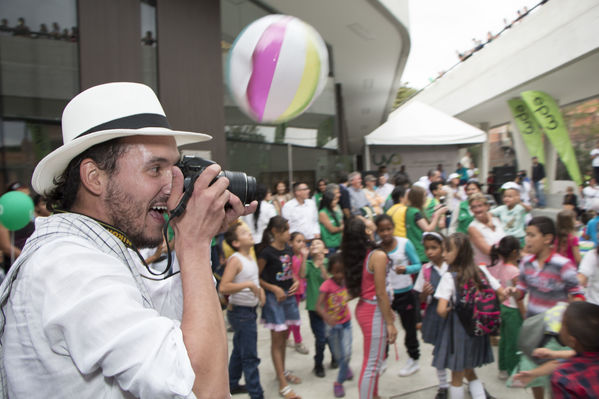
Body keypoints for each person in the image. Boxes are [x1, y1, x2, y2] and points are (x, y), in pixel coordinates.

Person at [0, 82, 257, 398]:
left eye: (174, 168)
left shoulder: (97, 250)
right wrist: (194, 244)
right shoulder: (68, 266)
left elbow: (174, 318)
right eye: (155, 169)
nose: (173, 185)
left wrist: (196, 239)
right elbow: (203, 388)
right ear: (95, 178)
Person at [506, 216, 585, 399]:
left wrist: (572, 320)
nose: (527, 239)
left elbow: (577, 294)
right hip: (533, 329)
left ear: (548, 239)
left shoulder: (563, 265)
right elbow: (521, 292)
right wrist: (512, 292)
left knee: (555, 376)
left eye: (532, 235)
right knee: (532, 375)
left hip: (556, 332)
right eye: (526, 234)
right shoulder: (526, 263)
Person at [434, 233, 503, 399]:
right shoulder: (481, 271)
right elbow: (501, 293)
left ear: (459, 253)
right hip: (477, 329)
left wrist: (449, 310)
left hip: (458, 332)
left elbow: (441, 310)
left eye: (447, 251)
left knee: (456, 376)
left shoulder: (449, 277)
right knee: (469, 370)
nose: (443, 254)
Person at [342, 216, 397, 399]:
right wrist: (389, 322)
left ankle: (374, 395)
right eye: (366, 222)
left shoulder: (361, 253)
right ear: (367, 231)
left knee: (374, 360)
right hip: (374, 311)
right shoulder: (377, 255)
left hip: (366, 309)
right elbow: (381, 294)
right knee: (372, 364)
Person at [219, 222, 266, 399]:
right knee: (250, 357)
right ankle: (257, 394)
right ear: (236, 243)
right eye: (244, 233)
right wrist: (249, 285)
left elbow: (253, 278)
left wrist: (260, 291)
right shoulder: (236, 260)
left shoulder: (250, 257)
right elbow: (224, 287)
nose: (249, 234)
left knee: (240, 350)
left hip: (249, 312)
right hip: (241, 314)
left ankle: (231, 384)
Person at [257, 216, 301, 399]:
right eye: (286, 230)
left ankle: (281, 372)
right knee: (277, 341)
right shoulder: (266, 253)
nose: (289, 234)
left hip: (289, 298)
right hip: (274, 300)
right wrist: (273, 288)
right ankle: (282, 384)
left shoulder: (289, 249)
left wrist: (297, 281)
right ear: (275, 232)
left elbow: (291, 273)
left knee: (284, 338)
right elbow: (256, 277)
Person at [375, 214, 422, 377]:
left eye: (388, 229)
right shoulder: (377, 248)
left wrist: (406, 269)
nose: (386, 233)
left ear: (393, 228)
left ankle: (414, 359)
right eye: (382, 230)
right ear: (378, 231)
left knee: (409, 327)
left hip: (405, 293)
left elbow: (417, 265)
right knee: (383, 329)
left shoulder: (404, 243)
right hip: (385, 295)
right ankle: (382, 359)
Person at [413, 232, 449, 399]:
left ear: (443, 248)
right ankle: (443, 385)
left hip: (452, 316)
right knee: (439, 351)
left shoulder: (452, 266)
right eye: (427, 248)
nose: (430, 252)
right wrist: (424, 294)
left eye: (434, 248)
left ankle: (466, 380)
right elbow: (420, 297)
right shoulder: (425, 270)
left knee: (457, 351)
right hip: (434, 316)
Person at [315, 253, 353, 398]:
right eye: (337, 272)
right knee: (339, 356)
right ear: (331, 271)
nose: (340, 275)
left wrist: (348, 297)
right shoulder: (326, 286)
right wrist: (326, 316)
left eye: (343, 271)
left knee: (347, 353)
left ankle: (338, 383)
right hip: (332, 327)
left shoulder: (346, 282)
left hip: (346, 323)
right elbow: (318, 306)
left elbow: (350, 294)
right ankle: (345, 367)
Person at [488, 236, 525, 380]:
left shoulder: (502, 267)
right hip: (514, 310)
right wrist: (524, 313)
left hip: (504, 307)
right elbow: (518, 296)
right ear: (515, 252)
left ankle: (503, 368)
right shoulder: (515, 271)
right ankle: (513, 372)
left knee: (504, 340)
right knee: (513, 342)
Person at [300, 238, 334, 378]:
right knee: (320, 338)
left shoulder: (329, 263)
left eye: (318, 243)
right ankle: (318, 364)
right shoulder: (308, 264)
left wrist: (321, 265)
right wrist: (303, 257)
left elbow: (328, 281)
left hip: (329, 308)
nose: (314, 245)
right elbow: (302, 275)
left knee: (331, 337)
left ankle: (335, 357)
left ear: (325, 250)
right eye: (312, 244)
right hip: (314, 309)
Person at [406, 185, 447, 263]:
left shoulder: (410, 210)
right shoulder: (415, 212)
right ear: (418, 198)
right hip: (420, 250)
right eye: (424, 196)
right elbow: (428, 229)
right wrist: (438, 214)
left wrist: (434, 212)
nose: (426, 199)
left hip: (415, 248)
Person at [467, 193, 505, 266]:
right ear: (471, 210)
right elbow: (488, 251)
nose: (477, 209)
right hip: (488, 268)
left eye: (480, 206)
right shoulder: (472, 227)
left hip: (503, 264)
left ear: (487, 206)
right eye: (474, 207)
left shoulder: (496, 220)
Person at [287, 232, 309, 354]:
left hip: (300, 290)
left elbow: (304, 274)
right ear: (290, 243)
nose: (302, 244)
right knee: (295, 318)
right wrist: (305, 258)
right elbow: (300, 274)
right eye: (298, 241)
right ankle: (298, 341)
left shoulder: (301, 255)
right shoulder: (290, 257)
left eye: (303, 241)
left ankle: (286, 338)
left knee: (291, 316)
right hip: (293, 291)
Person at [318, 187, 344, 254]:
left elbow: (341, 222)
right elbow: (332, 229)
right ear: (328, 201)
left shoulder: (334, 211)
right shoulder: (322, 213)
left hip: (339, 243)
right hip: (330, 245)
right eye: (334, 200)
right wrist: (342, 228)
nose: (336, 202)